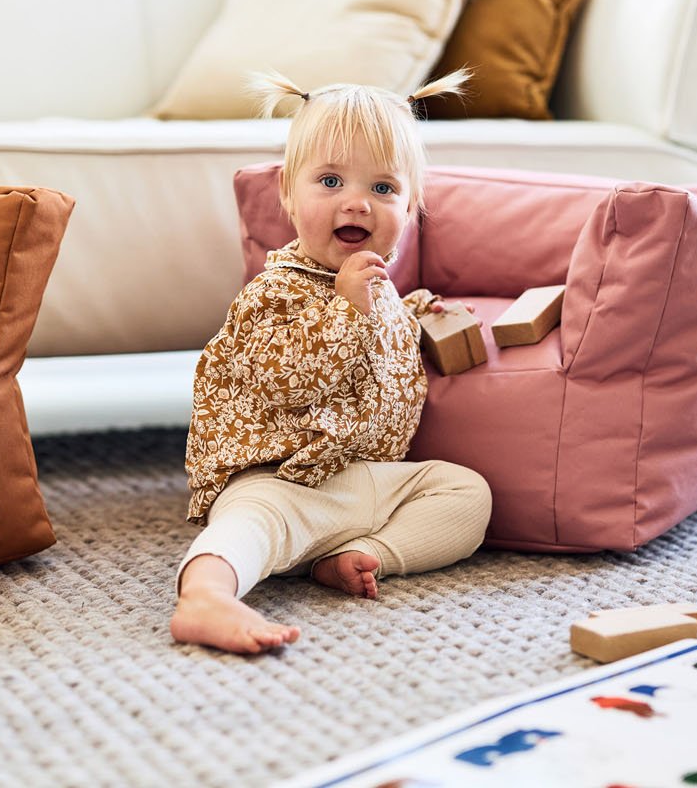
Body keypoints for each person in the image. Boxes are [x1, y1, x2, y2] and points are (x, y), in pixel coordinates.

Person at [169, 69, 493, 654]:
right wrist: (345, 308)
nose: (356, 202)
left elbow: (380, 339)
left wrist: (415, 309)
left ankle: (362, 556)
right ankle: (205, 596)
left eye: (384, 189)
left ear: (411, 208)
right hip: (284, 479)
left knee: (464, 492)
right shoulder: (276, 291)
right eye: (330, 180)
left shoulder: (377, 286)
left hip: (368, 484)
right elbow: (287, 380)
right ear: (288, 197)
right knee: (247, 526)